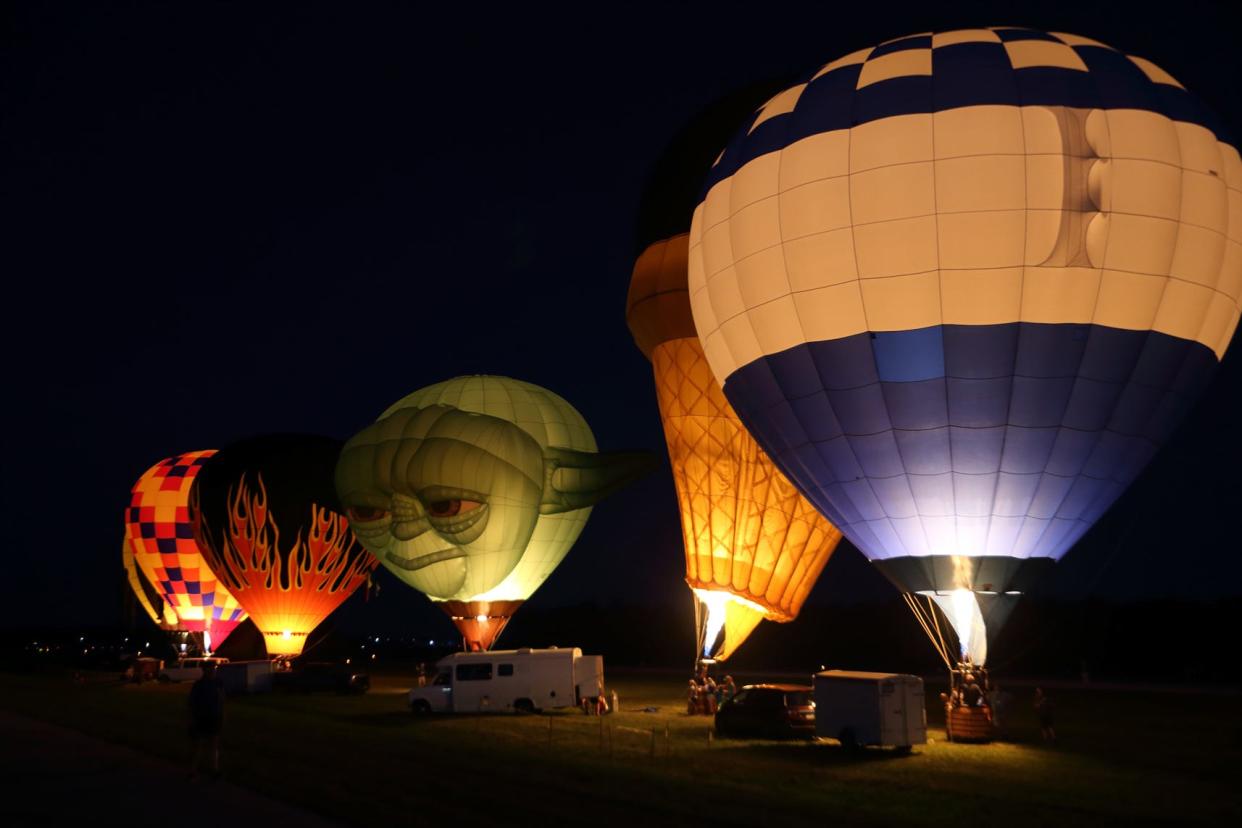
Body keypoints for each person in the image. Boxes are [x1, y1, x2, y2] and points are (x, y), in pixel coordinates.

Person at [188, 661, 226, 780]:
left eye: (213, 668)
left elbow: (221, 699)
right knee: (198, 745)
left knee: (213, 745)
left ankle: (214, 770)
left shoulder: (218, 683)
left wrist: (222, 714)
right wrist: (192, 718)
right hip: (202, 718)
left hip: (214, 717)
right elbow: (192, 703)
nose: (213, 671)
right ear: (205, 670)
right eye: (210, 669)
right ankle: (193, 771)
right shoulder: (199, 685)